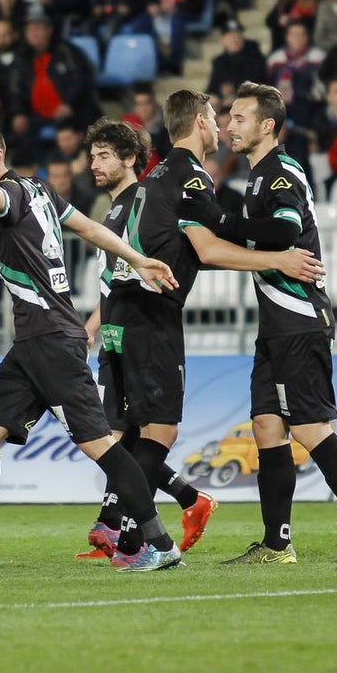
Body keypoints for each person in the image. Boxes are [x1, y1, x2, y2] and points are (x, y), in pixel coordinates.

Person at [0, 107, 186, 573]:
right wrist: (137, 258)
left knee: (102, 447)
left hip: (50, 339)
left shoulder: (10, 192)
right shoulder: (39, 189)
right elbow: (89, 228)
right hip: (33, 342)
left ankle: (160, 543)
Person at [95, 89, 325, 563]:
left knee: (136, 434)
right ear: (200, 121)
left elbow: (193, 250)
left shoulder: (156, 174)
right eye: (217, 118)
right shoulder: (191, 176)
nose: (222, 127)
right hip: (152, 316)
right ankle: (138, 539)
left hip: (123, 313)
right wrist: (278, 258)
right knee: (159, 434)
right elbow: (209, 248)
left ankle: (132, 534)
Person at [220, 82, 337, 564]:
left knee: (311, 427)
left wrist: (223, 224)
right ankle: (277, 544)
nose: (228, 125)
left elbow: (284, 230)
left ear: (267, 126)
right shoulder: (255, 176)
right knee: (265, 426)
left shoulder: (281, 170)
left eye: (238, 117)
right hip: (275, 323)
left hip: (299, 317)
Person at [75, 118, 217, 560]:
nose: (93, 163)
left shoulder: (144, 200)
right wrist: (93, 327)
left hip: (146, 327)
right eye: (92, 155)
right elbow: (116, 279)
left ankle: (123, 530)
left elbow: (158, 267)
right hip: (118, 332)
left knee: (140, 434)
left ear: (130, 159)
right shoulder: (114, 210)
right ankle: (176, 504)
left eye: (104, 156)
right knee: (120, 437)